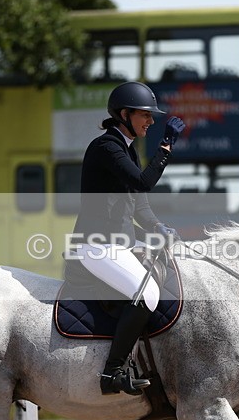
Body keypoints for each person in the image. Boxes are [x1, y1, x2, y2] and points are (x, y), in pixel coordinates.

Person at [71, 81, 185, 396]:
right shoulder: (106, 147)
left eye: (152, 116)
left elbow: (139, 203)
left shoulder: (126, 149)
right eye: (145, 115)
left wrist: (158, 227)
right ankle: (112, 373)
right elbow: (143, 182)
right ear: (125, 114)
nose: (151, 121)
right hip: (96, 245)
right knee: (147, 294)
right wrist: (166, 148)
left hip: (118, 243)